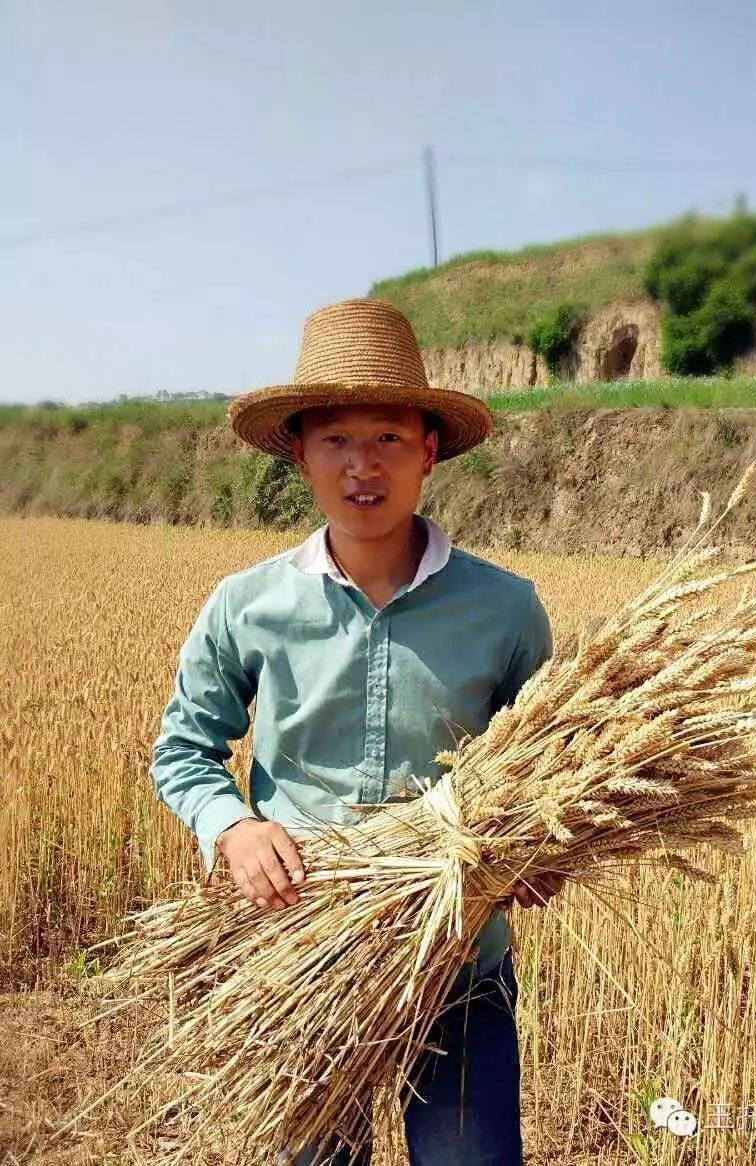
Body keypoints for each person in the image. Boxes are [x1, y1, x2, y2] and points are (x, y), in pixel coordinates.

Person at [149, 297, 566, 1166]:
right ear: (300, 453)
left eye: (386, 437)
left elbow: (551, 769)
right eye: (335, 439)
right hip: (302, 951)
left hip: (459, 965)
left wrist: (544, 848)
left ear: (429, 450)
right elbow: (184, 749)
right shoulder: (247, 605)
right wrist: (234, 827)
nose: (361, 465)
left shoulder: (506, 609)